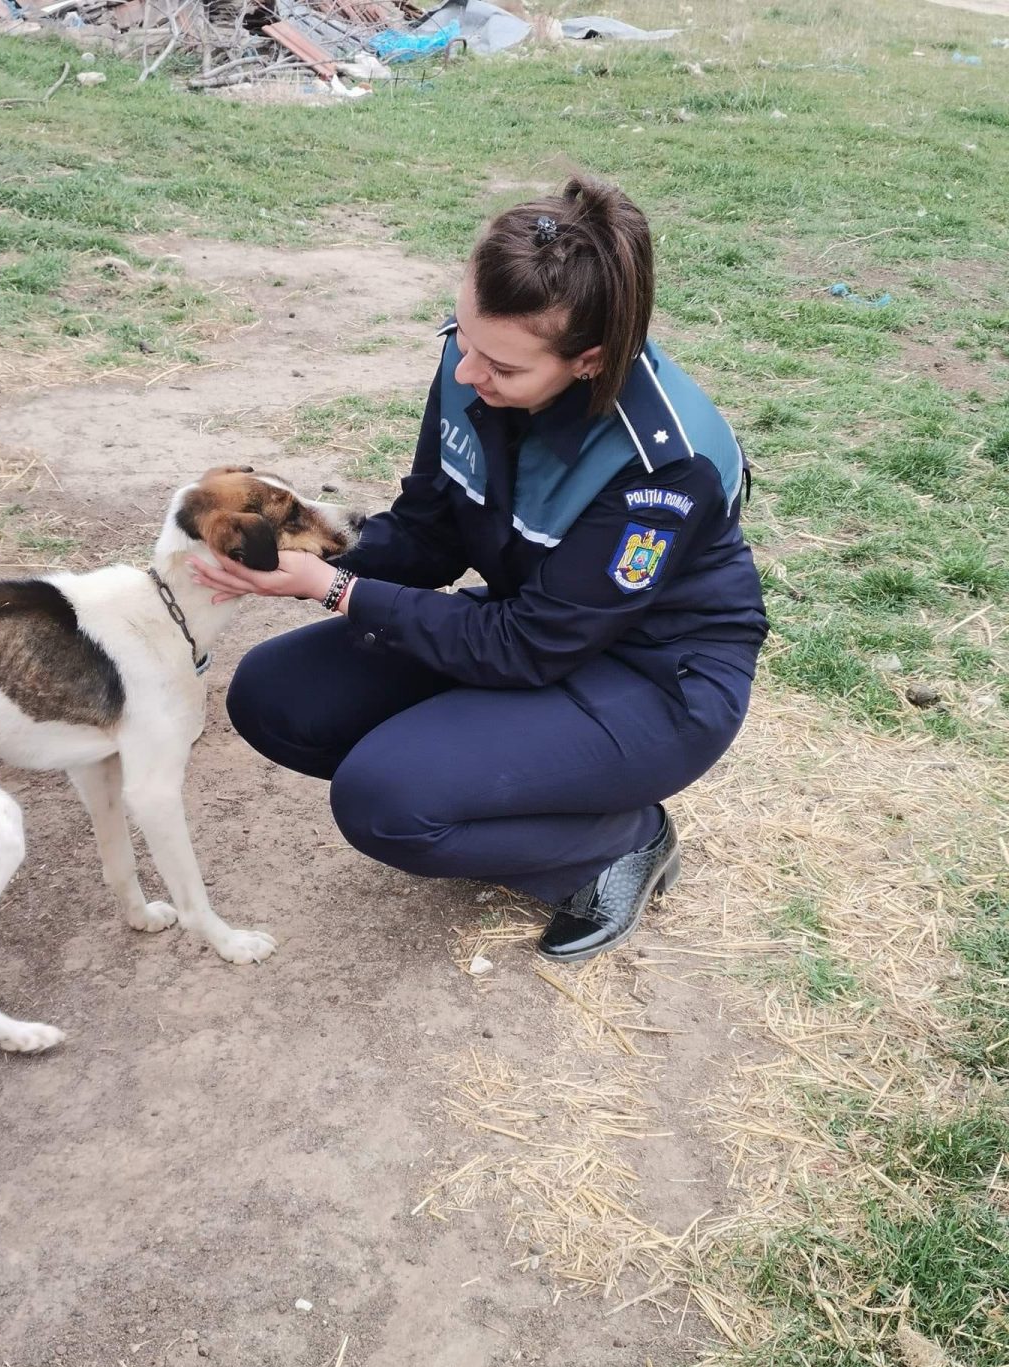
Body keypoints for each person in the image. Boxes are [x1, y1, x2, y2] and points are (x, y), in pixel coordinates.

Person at [190, 176, 768, 962]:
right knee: (276, 697)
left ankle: (619, 840)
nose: (467, 372)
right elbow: (431, 534)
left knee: (387, 801)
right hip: (534, 624)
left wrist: (336, 590)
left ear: (590, 360)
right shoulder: (478, 360)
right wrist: (311, 543)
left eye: (499, 365)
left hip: (655, 681)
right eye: (463, 337)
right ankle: (494, 785)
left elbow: (528, 646)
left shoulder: (663, 466)